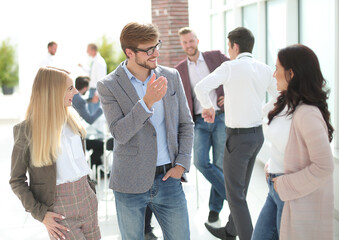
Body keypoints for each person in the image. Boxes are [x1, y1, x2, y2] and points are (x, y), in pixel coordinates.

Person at [97, 22, 194, 240]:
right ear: (129, 52)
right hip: (129, 184)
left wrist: (181, 164)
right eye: (149, 50)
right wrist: (146, 102)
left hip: (169, 179)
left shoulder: (171, 76)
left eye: (156, 46)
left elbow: (186, 125)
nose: (156, 53)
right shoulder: (108, 85)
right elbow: (119, 133)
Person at [195, 27, 277, 240]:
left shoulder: (230, 67)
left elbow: (201, 87)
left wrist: (208, 107)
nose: (228, 50)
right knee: (239, 190)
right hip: (257, 137)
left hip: (238, 139)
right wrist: (261, 111)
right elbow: (281, 96)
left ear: (235, 46)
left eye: (229, 46)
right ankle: (230, 231)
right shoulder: (264, 68)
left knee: (235, 197)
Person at [253, 44, 334, 240]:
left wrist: (284, 184)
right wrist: (272, 165)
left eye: (277, 69)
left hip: (291, 192)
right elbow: (285, 144)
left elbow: (324, 166)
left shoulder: (308, 113)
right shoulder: (284, 102)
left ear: (292, 73)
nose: (273, 75)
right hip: (275, 188)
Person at [9, 67, 101, 240]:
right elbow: (17, 180)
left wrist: (91, 190)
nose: (75, 91)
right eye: (69, 88)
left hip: (86, 198)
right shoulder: (26, 131)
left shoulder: (73, 120)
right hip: (59, 208)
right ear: (53, 92)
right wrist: (41, 214)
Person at [175, 27, 228, 223]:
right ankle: (231, 194)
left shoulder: (215, 57)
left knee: (219, 165)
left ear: (197, 40)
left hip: (221, 117)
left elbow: (236, 74)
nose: (189, 45)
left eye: (191, 41)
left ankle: (214, 209)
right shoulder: (180, 69)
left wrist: (228, 95)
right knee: (200, 162)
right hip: (199, 121)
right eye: (185, 42)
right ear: (182, 45)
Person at [73, 76, 104, 167]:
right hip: (77, 138)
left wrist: (91, 100)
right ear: (86, 88)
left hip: (74, 136)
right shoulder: (79, 100)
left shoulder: (74, 97)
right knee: (100, 145)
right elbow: (90, 120)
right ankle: (87, 168)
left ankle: (98, 172)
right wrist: (101, 108)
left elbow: (79, 104)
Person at [79, 43, 107, 114]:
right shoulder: (95, 61)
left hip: (96, 91)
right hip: (92, 90)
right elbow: (91, 72)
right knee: (90, 113)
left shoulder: (99, 62)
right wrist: (82, 67)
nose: (87, 52)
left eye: (88, 50)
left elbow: (101, 79)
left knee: (94, 115)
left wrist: (97, 94)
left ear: (93, 50)